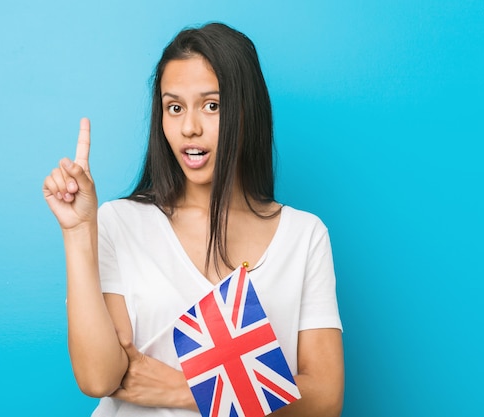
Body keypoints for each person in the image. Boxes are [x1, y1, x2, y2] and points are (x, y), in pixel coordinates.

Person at [43, 22, 344, 417]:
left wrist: (184, 389)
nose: (189, 128)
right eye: (175, 107)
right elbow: (100, 378)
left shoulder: (304, 236)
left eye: (212, 105)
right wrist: (79, 231)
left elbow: (323, 398)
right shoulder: (121, 223)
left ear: (246, 111)